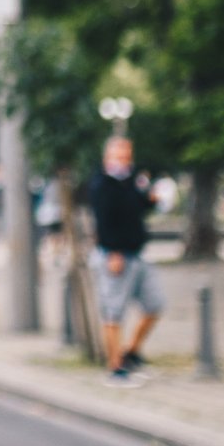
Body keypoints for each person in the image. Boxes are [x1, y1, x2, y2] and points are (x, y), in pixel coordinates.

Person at [88, 135, 162, 388]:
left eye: (127, 154)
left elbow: (138, 208)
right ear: (108, 156)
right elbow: (102, 220)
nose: (124, 159)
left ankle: (130, 352)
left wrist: (149, 199)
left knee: (154, 304)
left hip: (137, 252)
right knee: (114, 311)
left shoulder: (131, 181)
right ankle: (115, 367)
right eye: (119, 154)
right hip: (115, 254)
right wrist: (112, 252)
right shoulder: (101, 184)